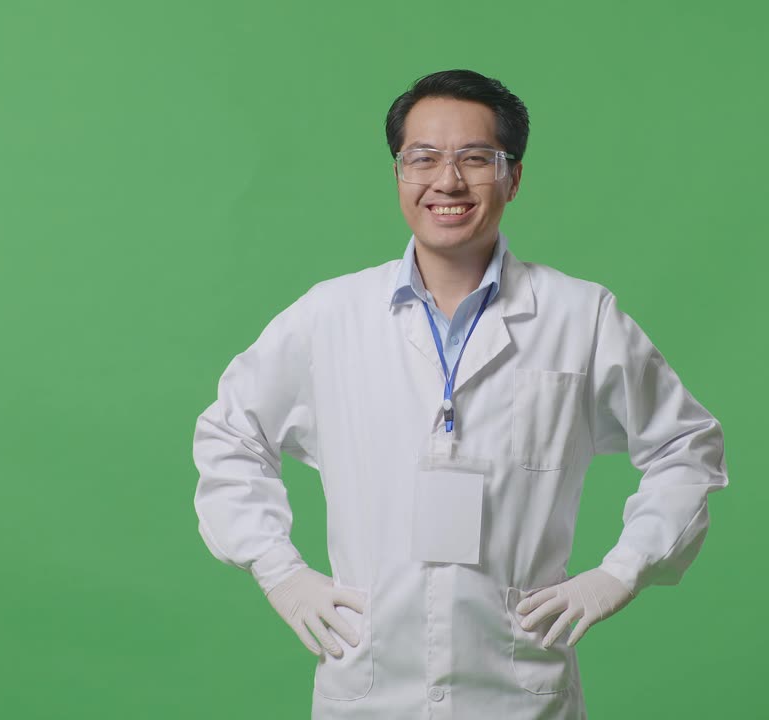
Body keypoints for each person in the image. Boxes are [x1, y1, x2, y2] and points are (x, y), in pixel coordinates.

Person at [192, 68, 730, 719]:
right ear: (398, 174)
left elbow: (686, 448)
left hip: (518, 689)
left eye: (475, 159)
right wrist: (280, 572)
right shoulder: (330, 317)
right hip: (370, 685)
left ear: (513, 177)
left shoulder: (579, 317)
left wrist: (622, 570)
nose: (447, 182)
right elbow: (229, 435)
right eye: (422, 159)